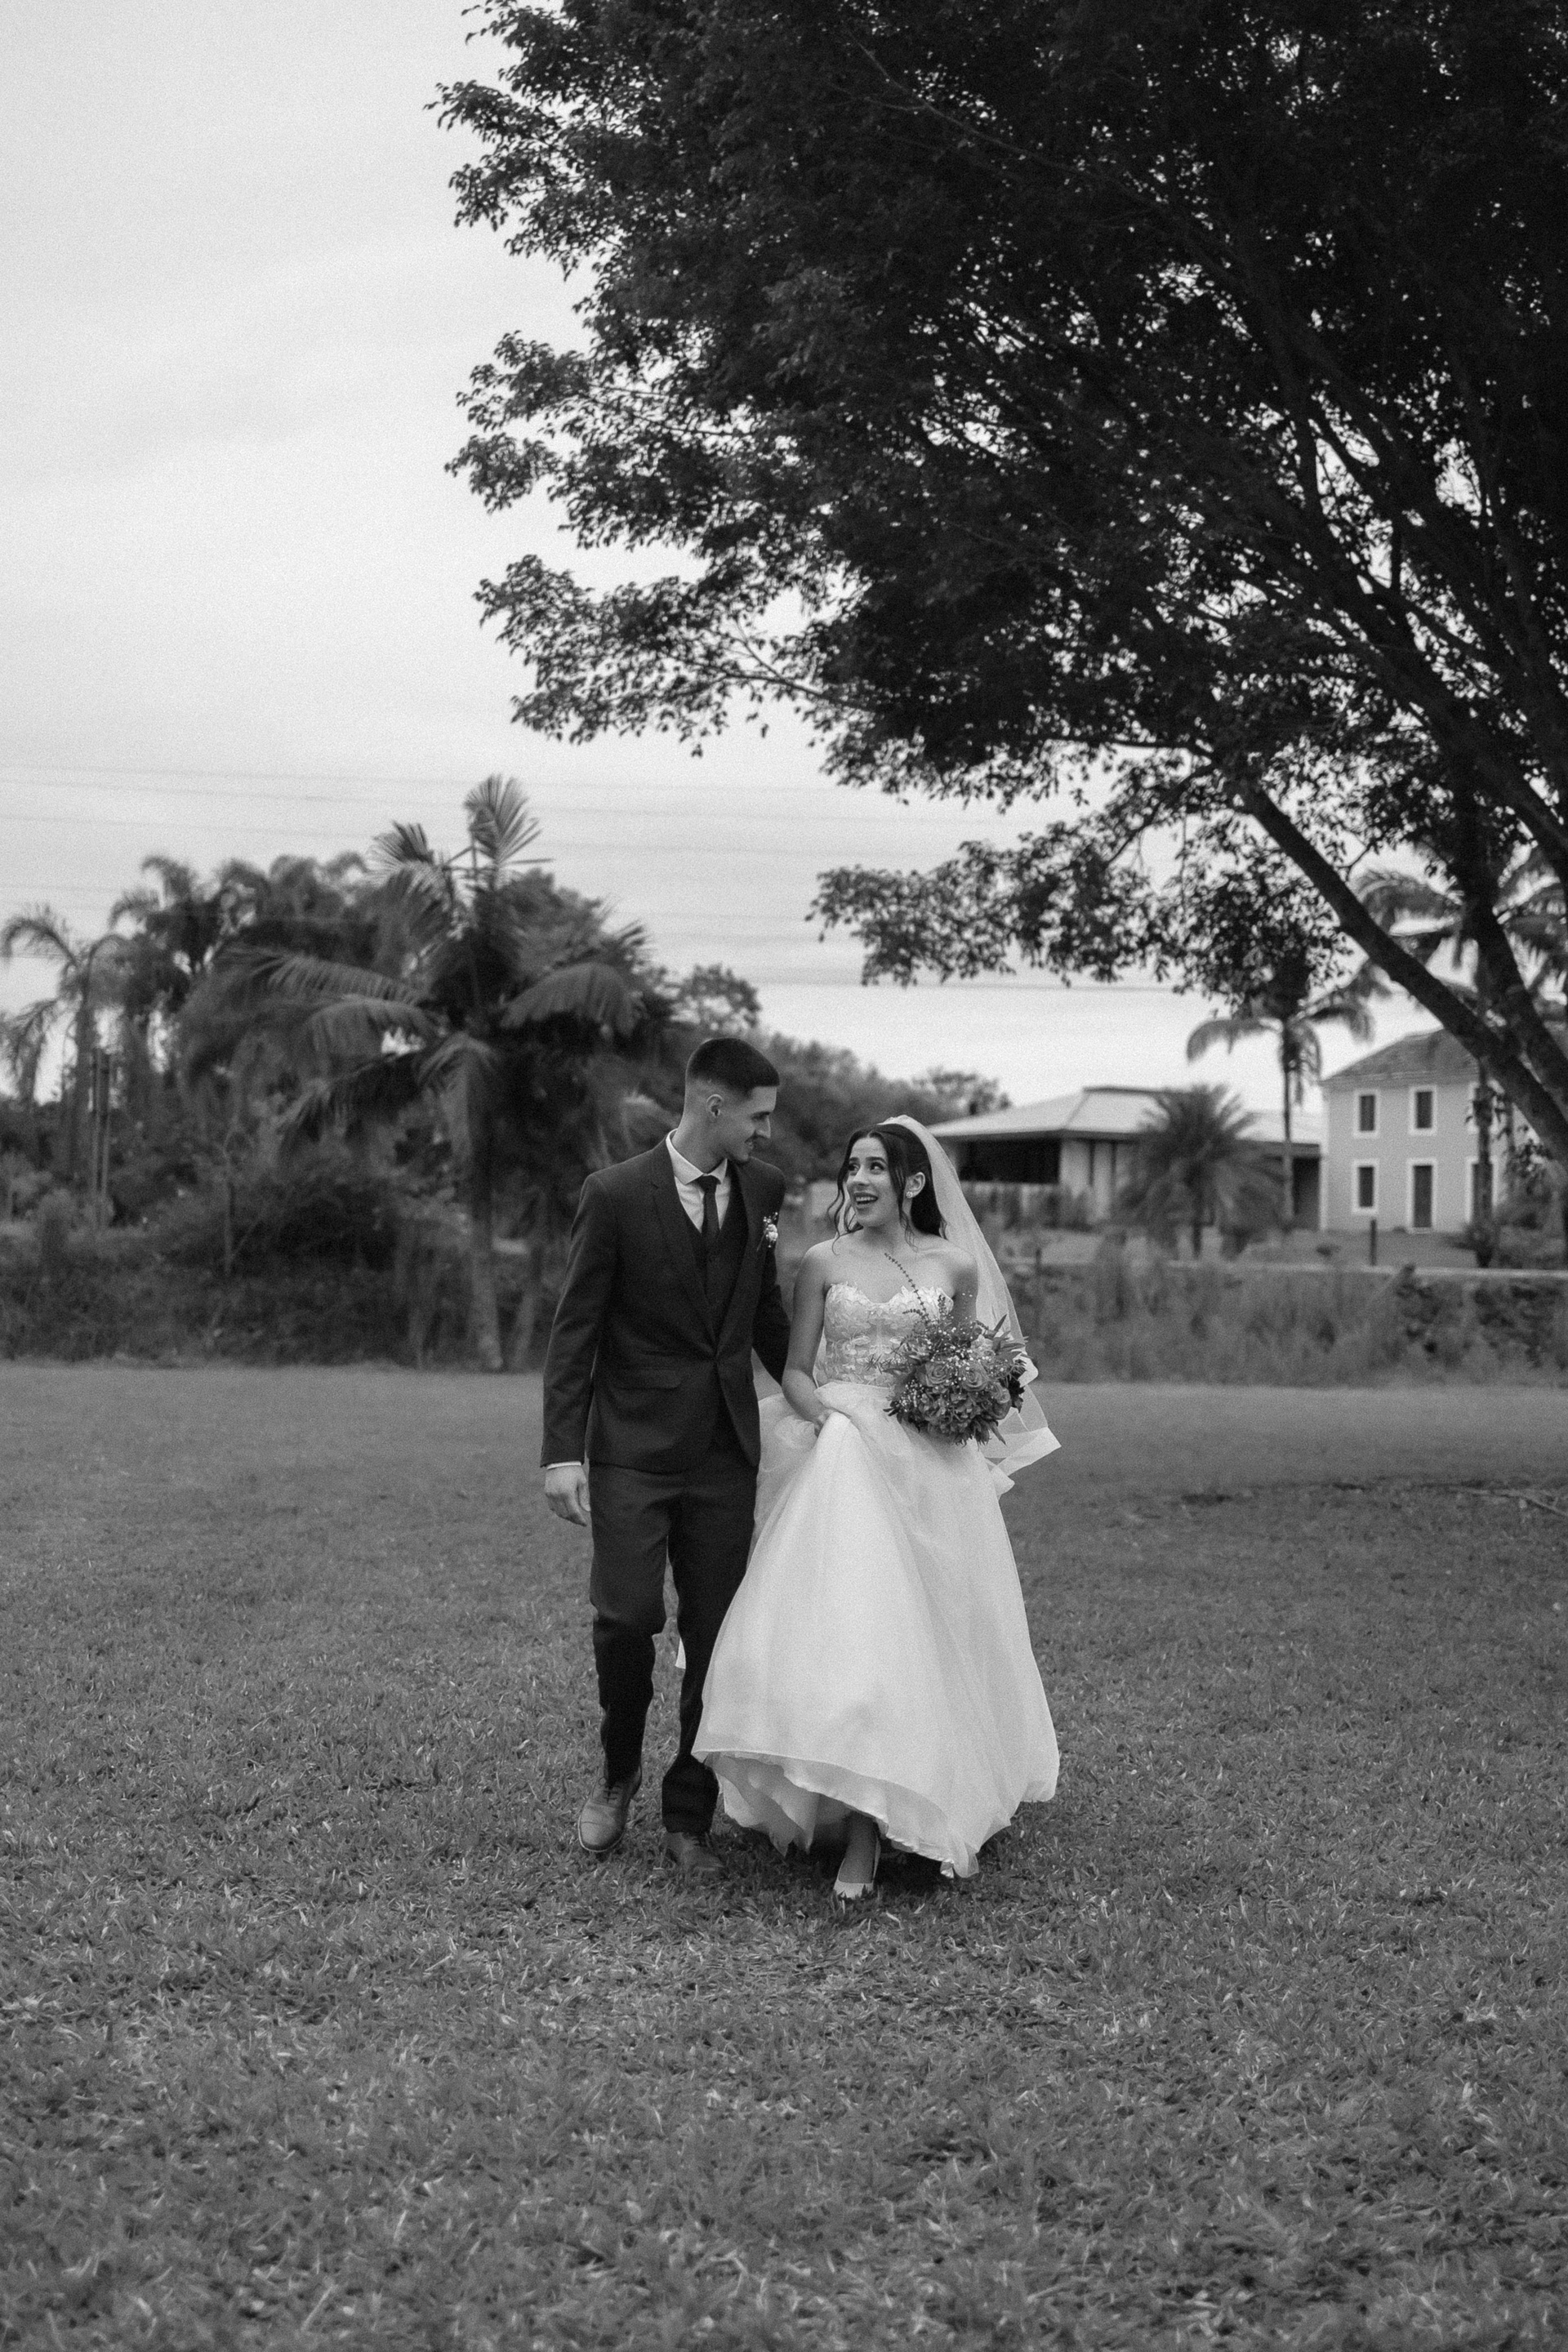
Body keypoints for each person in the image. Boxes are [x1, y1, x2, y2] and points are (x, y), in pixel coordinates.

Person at [695, 1116, 1059, 1897]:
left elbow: (966, 1363)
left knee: (934, 1636)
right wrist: (828, 1419)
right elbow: (797, 1369)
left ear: (913, 1182)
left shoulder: (954, 1265)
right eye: (851, 1167)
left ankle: (930, 1793)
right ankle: (857, 1827)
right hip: (844, 1451)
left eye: (873, 1168)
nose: (857, 1181)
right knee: (859, 1635)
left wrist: (964, 1402)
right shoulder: (823, 1261)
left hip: (931, 1464)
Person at [541, 1035, 792, 1877]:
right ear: (714, 1106)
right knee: (626, 1617)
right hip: (632, 1450)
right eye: (757, 1116)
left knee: (715, 1634)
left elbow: (766, 1318)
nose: (765, 1133)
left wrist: (834, 1399)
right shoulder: (613, 1194)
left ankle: (689, 1813)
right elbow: (575, 1330)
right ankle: (617, 1774)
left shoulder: (764, 1190)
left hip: (725, 1452)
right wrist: (561, 1453)